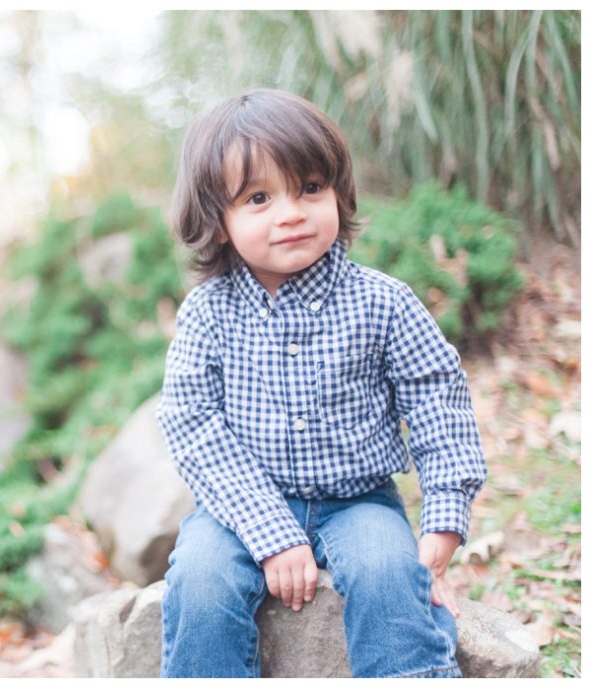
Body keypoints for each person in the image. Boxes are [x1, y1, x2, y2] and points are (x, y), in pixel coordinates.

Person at [156, 88, 487, 678]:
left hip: (359, 500)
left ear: (338, 192)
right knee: (200, 582)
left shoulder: (383, 302)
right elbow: (191, 424)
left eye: (310, 188)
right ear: (219, 221)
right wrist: (271, 534)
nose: (291, 213)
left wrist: (443, 518)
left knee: (388, 575)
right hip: (239, 505)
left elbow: (439, 402)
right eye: (258, 197)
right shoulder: (208, 313)